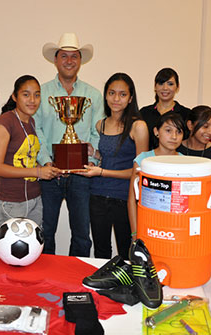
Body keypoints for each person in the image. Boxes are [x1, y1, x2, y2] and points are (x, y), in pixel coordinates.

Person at [35, 33, 105, 256]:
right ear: (55, 60)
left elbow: (97, 133)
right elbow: (36, 131)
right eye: (64, 56)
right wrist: (46, 161)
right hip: (49, 173)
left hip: (81, 175)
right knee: (45, 232)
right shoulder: (41, 93)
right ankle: (47, 281)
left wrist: (89, 161)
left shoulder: (93, 95)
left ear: (80, 60)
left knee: (82, 234)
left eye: (74, 56)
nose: (69, 61)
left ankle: (77, 279)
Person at [77, 73, 149, 259]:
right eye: (111, 93)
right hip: (98, 194)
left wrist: (101, 172)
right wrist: (94, 153)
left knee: (127, 251)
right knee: (101, 251)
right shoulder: (100, 125)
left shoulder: (138, 127)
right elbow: (109, 158)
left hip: (125, 198)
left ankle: (126, 287)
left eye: (122, 94)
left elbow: (139, 172)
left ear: (130, 98)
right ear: (106, 95)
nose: (116, 99)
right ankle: (103, 287)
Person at [0, 75, 61, 225]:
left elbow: (27, 160)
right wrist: (38, 172)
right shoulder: (4, 122)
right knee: (14, 248)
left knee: (34, 247)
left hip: (34, 198)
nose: (32, 100)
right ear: (14, 97)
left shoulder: (31, 121)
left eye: (36, 95)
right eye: (26, 94)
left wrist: (46, 168)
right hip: (12, 202)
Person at [178, 105, 211, 271]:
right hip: (181, 218)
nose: (210, 132)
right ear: (190, 125)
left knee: (209, 259)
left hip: (208, 218)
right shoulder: (176, 150)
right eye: (205, 126)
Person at [128, 112, 188, 236]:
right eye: (168, 130)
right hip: (148, 226)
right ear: (156, 131)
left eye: (179, 132)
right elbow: (132, 200)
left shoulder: (185, 162)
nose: (174, 136)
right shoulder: (143, 160)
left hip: (175, 227)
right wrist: (135, 233)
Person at [139, 68, 191, 150]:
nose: (165, 88)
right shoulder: (144, 113)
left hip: (177, 161)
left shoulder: (186, 114)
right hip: (149, 161)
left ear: (177, 87)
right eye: (161, 83)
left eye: (170, 84)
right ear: (155, 87)